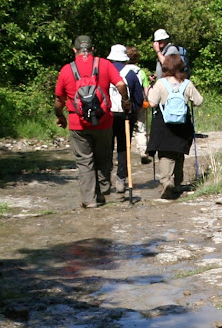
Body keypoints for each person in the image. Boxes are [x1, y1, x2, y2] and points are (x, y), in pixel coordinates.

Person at [55, 35, 131, 208]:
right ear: (92, 49)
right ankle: (103, 190)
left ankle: (90, 200)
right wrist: (125, 101)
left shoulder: (67, 70)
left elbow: (59, 99)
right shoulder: (104, 64)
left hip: (77, 123)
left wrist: (59, 115)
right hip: (104, 121)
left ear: (74, 50)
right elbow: (120, 84)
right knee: (104, 156)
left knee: (85, 161)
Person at [147, 54, 203, 199]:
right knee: (179, 152)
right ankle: (178, 183)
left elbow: (152, 103)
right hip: (182, 124)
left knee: (165, 154)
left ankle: (166, 182)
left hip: (164, 124)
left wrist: (149, 89)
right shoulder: (187, 83)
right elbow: (198, 101)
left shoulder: (160, 83)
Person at [107, 44, 144, 195]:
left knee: (107, 147)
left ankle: (104, 179)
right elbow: (139, 99)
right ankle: (121, 179)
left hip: (107, 115)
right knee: (123, 147)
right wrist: (133, 109)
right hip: (125, 115)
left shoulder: (104, 70)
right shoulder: (131, 73)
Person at [126, 46, 151, 165]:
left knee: (125, 129)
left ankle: (125, 153)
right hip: (139, 103)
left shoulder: (122, 71)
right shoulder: (141, 72)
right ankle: (142, 151)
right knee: (140, 128)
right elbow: (146, 91)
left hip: (125, 104)